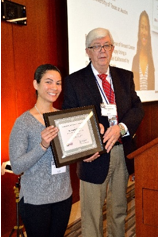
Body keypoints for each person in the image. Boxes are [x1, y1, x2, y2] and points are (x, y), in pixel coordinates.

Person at [62, 28, 144, 237]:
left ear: (113, 49)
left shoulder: (125, 77)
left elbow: (137, 108)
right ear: (88, 51)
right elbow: (69, 117)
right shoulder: (75, 81)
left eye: (106, 45)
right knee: (92, 217)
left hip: (121, 152)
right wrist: (85, 141)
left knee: (119, 211)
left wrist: (121, 128)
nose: (102, 50)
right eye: (96, 46)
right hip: (93, 156)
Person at [9, 64, 72, 237]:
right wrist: (42, 145)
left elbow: (69, 153)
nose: (55, 87)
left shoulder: (63, 117)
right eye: (49, 82)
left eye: (58, 83)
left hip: (63, 195)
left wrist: (88, 152)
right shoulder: (23, 122)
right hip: (36, 200)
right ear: (36, 84)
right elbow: (17, 166)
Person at [132, 10, 155, 91]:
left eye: (146, 28)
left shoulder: (151, 61)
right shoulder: (135, 59)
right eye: (142, 27)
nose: (144, 32)